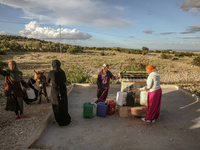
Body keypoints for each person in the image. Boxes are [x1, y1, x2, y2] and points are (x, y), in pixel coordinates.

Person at [47, 60, 71, 126]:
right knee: (63, 104)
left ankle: (59, 121)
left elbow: (47, 81)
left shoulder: (51, 72)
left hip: (55, 90)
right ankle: (66, 120)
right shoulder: (62, 72)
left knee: (56, 105)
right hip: (62, 89)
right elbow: (65, 80)